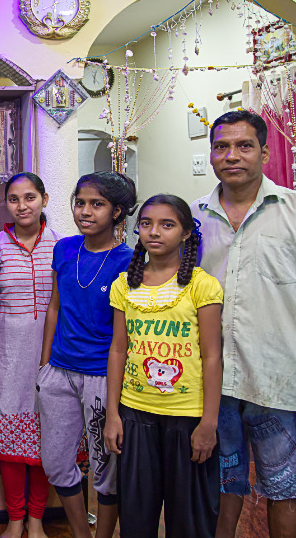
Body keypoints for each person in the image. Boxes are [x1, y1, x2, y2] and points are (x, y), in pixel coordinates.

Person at [191, 110, 296, 538]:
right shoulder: (192, 218)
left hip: (277, 383)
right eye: (222, 147)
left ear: (264, 153)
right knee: (219, 487)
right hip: (210, 384)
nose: (232, 156)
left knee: (287, 489)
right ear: (211, 154)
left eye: (244, 146)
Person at [104, 194, 223, 538]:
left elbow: (212, 356)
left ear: (186, 233)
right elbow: (118, 350)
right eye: (146, 224)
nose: (154, 232)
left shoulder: (202, 285)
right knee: (136, 514)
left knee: (188, 519)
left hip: (187, 416)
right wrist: (113, 415)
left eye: (167, 225)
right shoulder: (125, 285)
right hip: (136, 412)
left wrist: (208, 423)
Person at [37, 171, 137, 538]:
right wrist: (45, 365)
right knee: (55, 462)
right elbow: (54, 307)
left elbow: (126, 331)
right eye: (80, 203)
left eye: (97, 204)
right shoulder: (64, 249)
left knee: (106, 467)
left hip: (101, 375)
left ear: (117, 212)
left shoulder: (129, 260)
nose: (85, 211)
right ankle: (81, 533)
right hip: (59, 372)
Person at [0, 172, 62, 538]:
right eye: (14, 199)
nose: (22, 206)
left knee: (46, 441)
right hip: (6, 359)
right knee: (10, 444)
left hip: (52, 358)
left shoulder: (63, 246)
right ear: (6, 204)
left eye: (30, 197)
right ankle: (15, 521)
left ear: (44, 200)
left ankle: (36, 520)